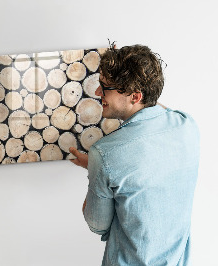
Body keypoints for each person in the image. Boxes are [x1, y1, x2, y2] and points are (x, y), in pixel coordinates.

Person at [69, 44, 200, 265]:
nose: (98, 92)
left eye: (105, 87)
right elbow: (154, 108)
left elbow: (97, 225)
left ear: (135, 96)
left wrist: (96, 169)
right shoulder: (187, 125)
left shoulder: (104, 153)